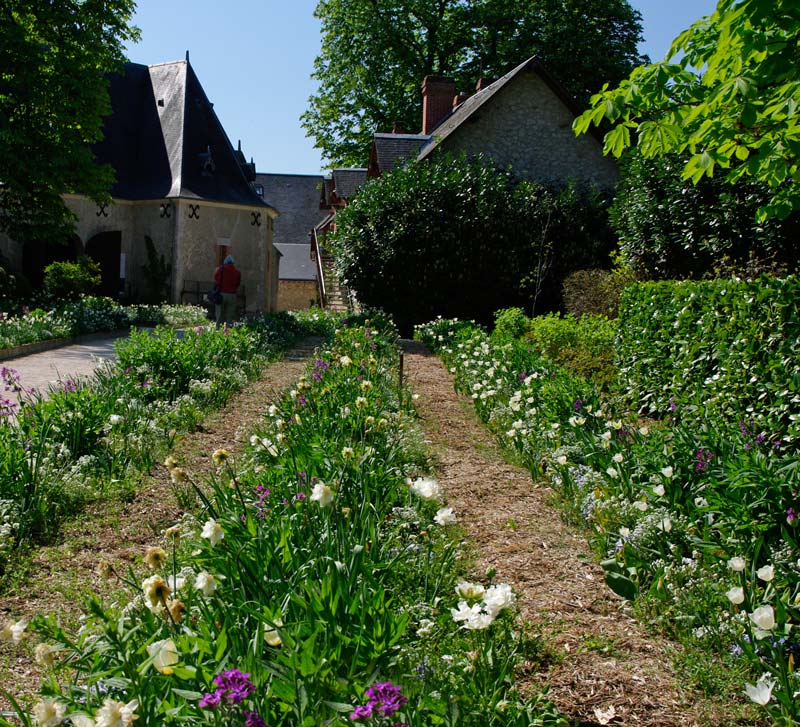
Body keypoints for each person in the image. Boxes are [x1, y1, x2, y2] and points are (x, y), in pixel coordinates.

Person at [213, 254, 241, 326]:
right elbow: (238, 283)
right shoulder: (237, 272)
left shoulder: (221, 270)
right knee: (230, 316)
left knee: (219, 314)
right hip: (232, 295)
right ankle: (228, 331)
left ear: (225, 262)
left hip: (221, 294)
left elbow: (216, 279)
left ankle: (218, 330)